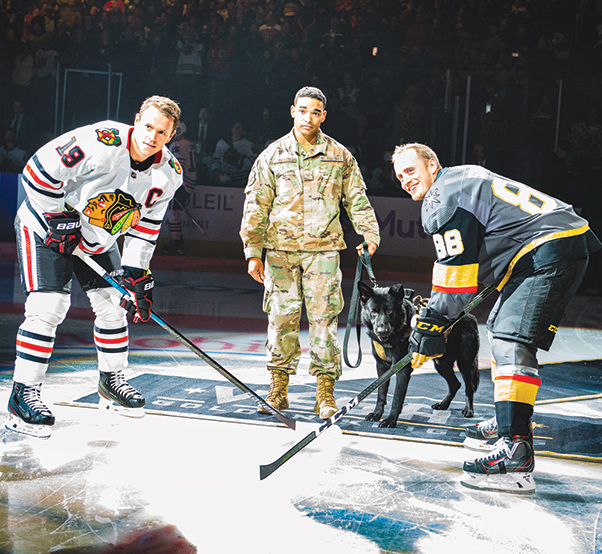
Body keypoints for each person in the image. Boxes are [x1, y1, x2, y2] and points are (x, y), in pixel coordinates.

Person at [392, 142, 601, 493]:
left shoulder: (442, 199)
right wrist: (437, 320)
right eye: (398, 176)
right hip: (548, 244)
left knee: (509, 337)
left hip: (545, 249)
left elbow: (456, 282)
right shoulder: (457, 180)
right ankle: (510, 419)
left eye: (410, 171)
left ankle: (516, 448)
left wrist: (431, 325)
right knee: (502, 329)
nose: (404, 181)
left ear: (432, 165)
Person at [9, 95, 183, 439]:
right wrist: (56, 216)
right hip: (46, 227)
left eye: (161, 132)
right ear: (137, 120)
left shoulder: (169, 175)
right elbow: (37, 169)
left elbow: (146, 228)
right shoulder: (101, 141)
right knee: (48, 307)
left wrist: (136, 272)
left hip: (98, 239)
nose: (152, 136)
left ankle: (111, 381)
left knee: (113, 308)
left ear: (172, 135)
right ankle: (22, 395)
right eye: (147, 126)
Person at [240, 86, 380, 420]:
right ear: (292, 111)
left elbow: (356, 198)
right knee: (281, 321)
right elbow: (256, 204)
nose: (308, 117)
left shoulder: (340, 156)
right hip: (280, 253)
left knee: (324, 321)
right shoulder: (272, 156)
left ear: (324, 116)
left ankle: (325, 394)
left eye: (315, 112)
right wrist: (252, 251)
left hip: (323, 252)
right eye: (303, 110)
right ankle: (278, 390)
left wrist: (369, 232)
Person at [163, 121, 197, 256]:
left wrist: (171, 183)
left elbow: (178, 167)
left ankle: (177, 243)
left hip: (183, 183)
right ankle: (177, 242)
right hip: (189, 182)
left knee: (172, 212)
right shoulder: (188, 144)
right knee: (173, 211)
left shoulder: (178, 144)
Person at [211, 122, 256, 187]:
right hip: (223, 181)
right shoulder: (222, 143)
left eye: (239, 127)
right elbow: (215, 159)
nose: (237, 129)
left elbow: (254, 160)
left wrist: (239, 160)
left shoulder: (248, 144)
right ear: (232, 129)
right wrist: (216, 172)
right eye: (236, 127)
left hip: (241, 182)